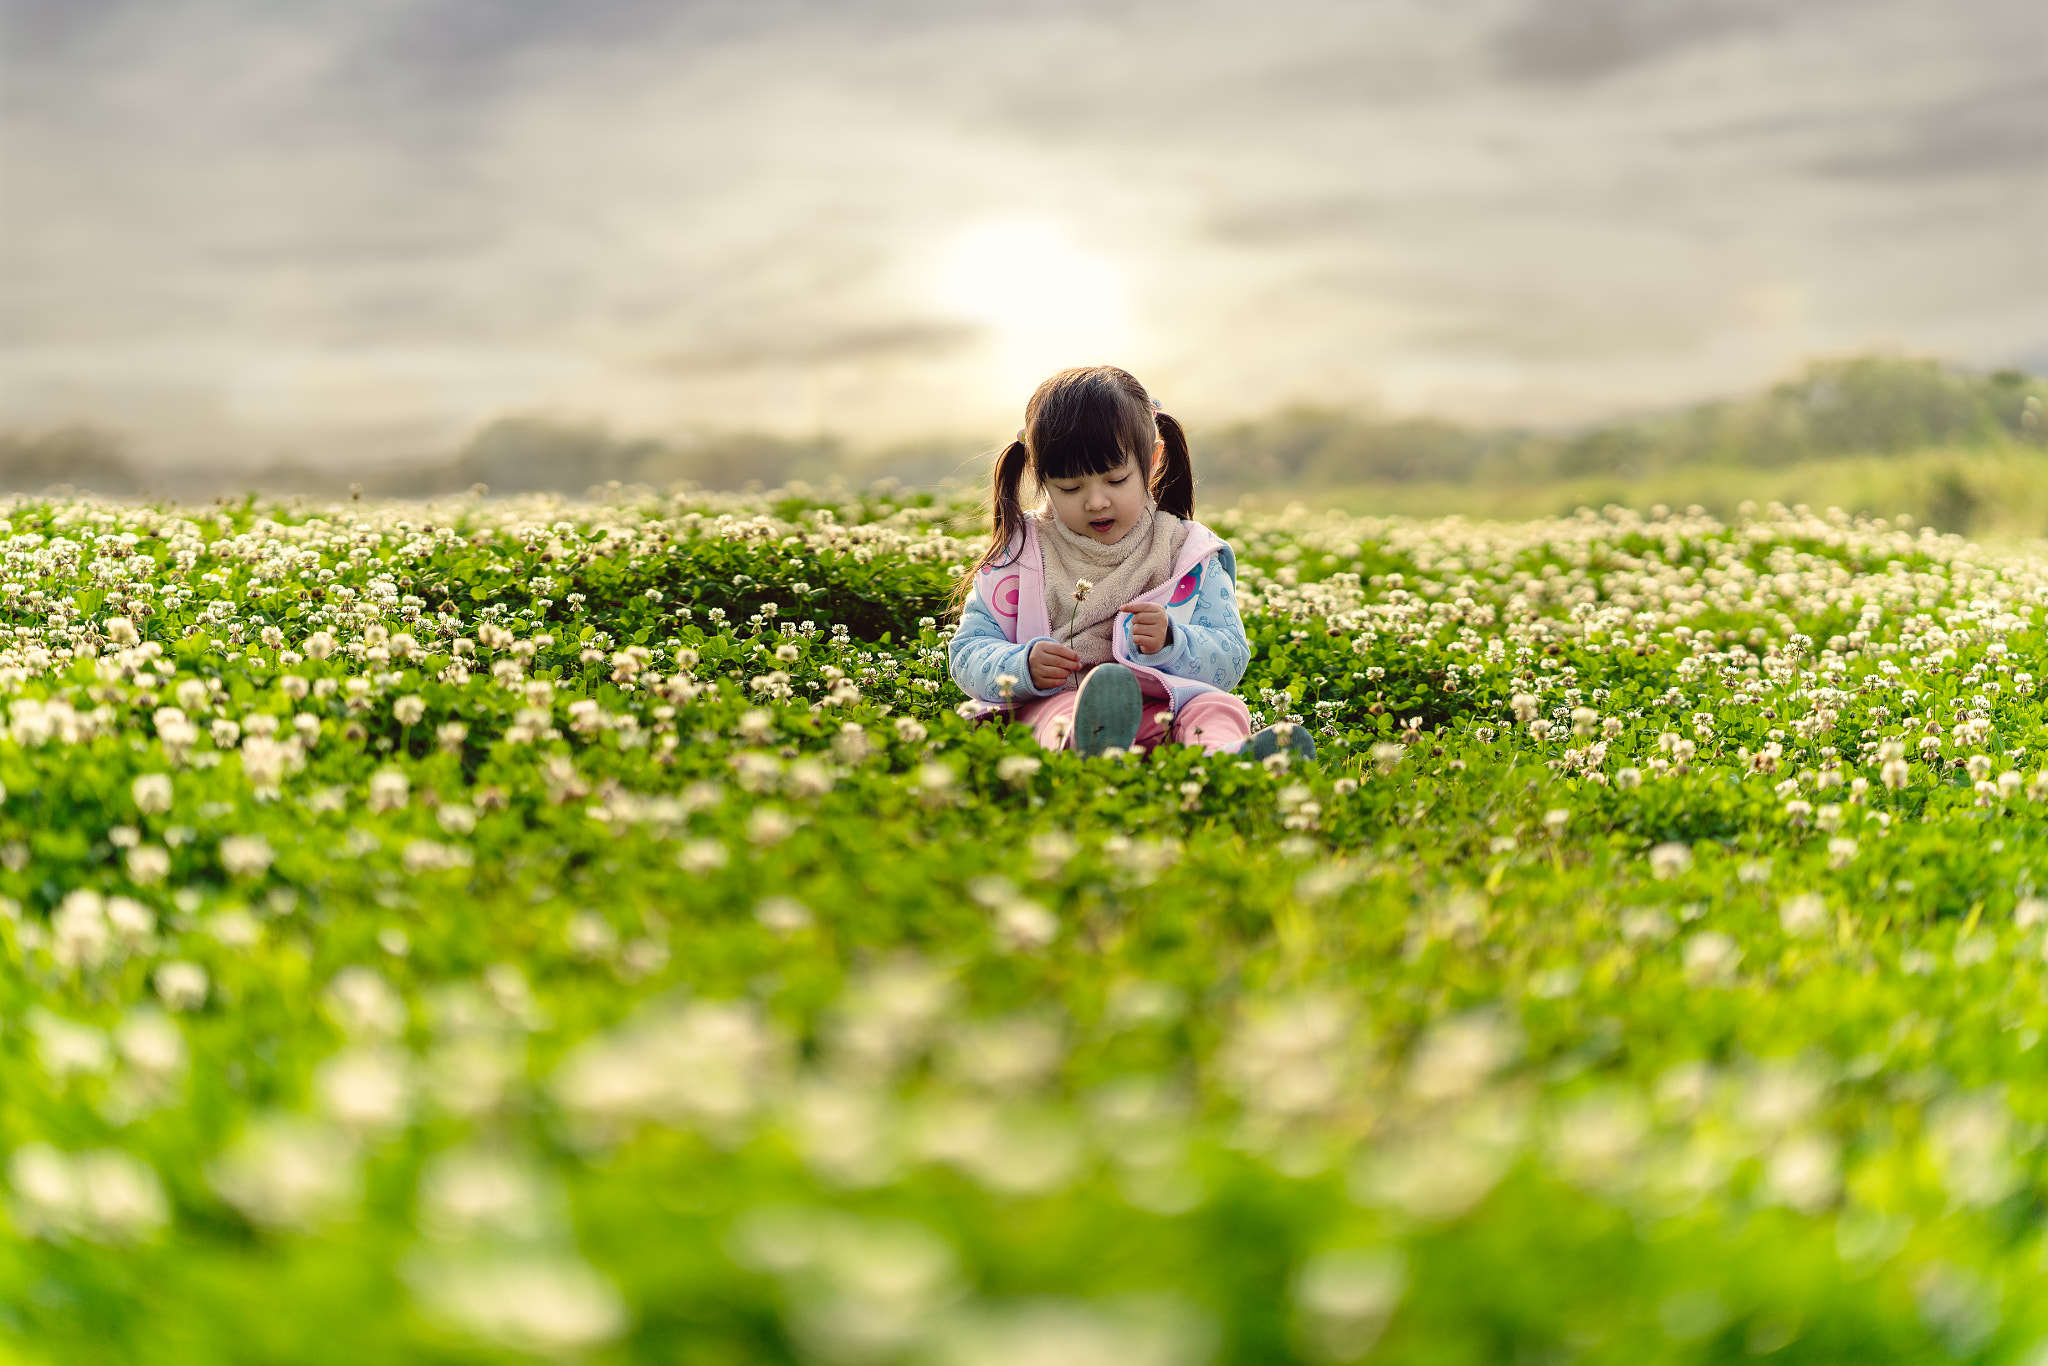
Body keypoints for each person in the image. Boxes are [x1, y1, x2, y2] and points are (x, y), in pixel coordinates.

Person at [949, 365, 1314, 761]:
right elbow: (968, 650)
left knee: (1214, 707)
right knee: (1056, 715)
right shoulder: (1022, 552)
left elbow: (1228, 657)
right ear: (1039, 475)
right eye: (1070, 488)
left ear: (1153, 459)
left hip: (1166, 704)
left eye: (1116, 480)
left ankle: (1223, 759)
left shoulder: (1185, 551)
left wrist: (1173, 641)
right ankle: (1089, 746)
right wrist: (1021, 666)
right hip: (1061, 701)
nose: (1096, 501)